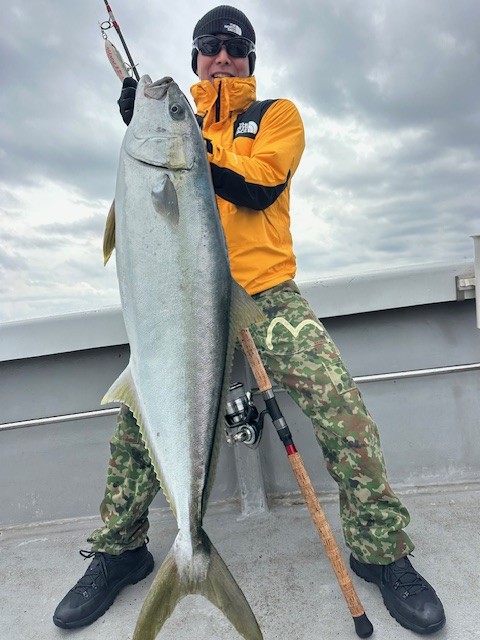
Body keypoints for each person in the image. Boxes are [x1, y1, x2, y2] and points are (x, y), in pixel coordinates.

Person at [53, 5, 446, 635]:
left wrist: (178, 140)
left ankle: (381, 551)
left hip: (265, 296)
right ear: (196, 57)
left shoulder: (275, 117)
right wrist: (155, 132)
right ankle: (122, 550)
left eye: (235, 48)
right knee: (137, 426)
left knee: (342, 408)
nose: (222, 57)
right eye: (210, 45)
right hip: (184, 305)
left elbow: (260, 185)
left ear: (250, 60)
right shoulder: (167, 135)